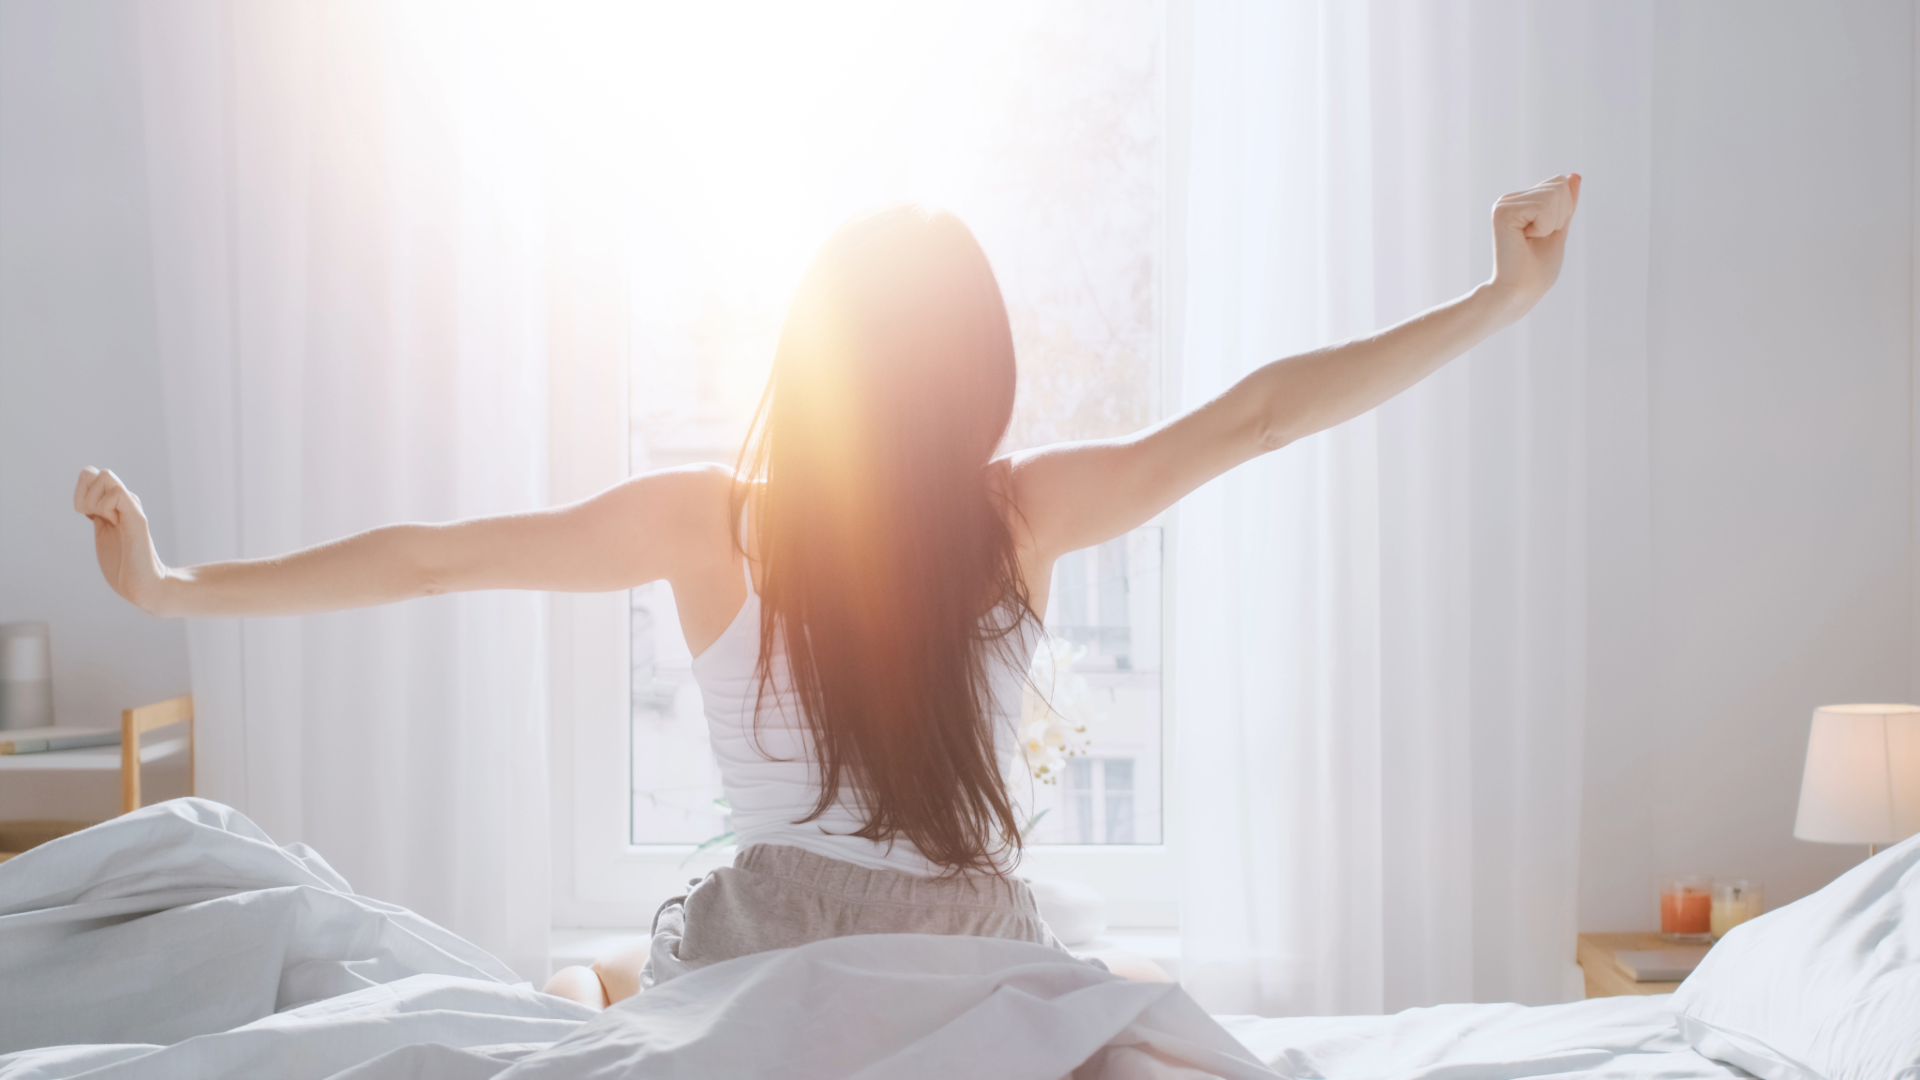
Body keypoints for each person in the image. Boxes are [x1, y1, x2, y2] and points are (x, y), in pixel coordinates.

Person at [74, 175, 1580, 1008]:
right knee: (590, 981)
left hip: (765, 947)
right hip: (970, 957)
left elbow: (434, 557)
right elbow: (1259, 416)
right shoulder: (1022, 514)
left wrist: (175, 585)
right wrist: (1498, 297)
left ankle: (598, 994)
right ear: (977, 371)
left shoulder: (712, 525)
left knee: (585, 985)